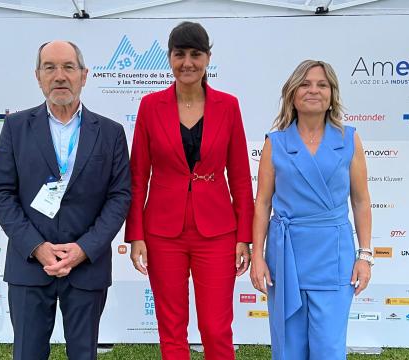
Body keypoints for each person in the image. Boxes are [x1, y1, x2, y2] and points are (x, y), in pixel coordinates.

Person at [0, 40, 131, 360]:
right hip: (29, 264)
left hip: (86, 266)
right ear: (38, 77)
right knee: (27, 353)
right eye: (50, 67)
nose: (59, 75)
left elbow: (120, 195)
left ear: (84, 75)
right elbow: (0, 191)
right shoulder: (15, 127)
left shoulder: (110, 133)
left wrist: (84, 249)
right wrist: (36, 246)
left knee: (83, 354)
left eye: (68, 67)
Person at [125, 22, 254, 360]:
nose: (187, 62)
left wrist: (245, 237)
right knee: (171, 327)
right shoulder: (151, 106)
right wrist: (135, 234)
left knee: (215, 328)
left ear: (208, 58)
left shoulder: (228, 106)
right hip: (162, 233)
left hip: (217, 232)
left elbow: (240, 177)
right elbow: (138, 175)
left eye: (195, 54)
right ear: (169, 58)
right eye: (179, 54)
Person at [250, 60, 373, 360]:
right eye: (305, 84)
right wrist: (257, 256)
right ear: (292, 94)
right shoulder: (275, 143)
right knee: (288, 347)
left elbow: (360, 200)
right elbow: (263, 204)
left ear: (332, 95)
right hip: (285, 257)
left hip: (334, 256)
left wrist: (365, 255)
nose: (313, 90)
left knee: (328, 348)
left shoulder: (348, 139)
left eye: (322, 84)